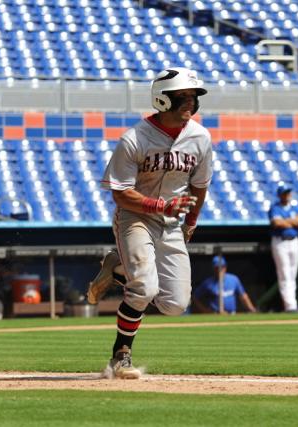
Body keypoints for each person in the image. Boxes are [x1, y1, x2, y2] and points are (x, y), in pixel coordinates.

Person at [86, 67, 212, 379]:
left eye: (193, 97)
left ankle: (117, 268)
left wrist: (191, 223)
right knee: (144, 286)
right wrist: (160, 205)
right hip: (136, 217)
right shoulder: (134, 139)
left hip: (171, 223)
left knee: (174, 304)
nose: (190, 103)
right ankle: (121, 354)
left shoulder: (200, 137)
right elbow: (121, 194)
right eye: (182, 97)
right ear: (162, 99)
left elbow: (200, 185)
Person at [268, 185, 298, 312]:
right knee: (284, 274)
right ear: (279, 195)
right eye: (284, 193)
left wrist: (286, 221)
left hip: (294, 241)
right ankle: (290, 306)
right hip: (280, 242)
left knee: (292, 274)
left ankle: (292, 304)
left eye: (288, 192)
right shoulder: (275, 207)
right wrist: (292, 222)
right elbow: (277, 223)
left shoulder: (294, 207)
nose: (287, 195)